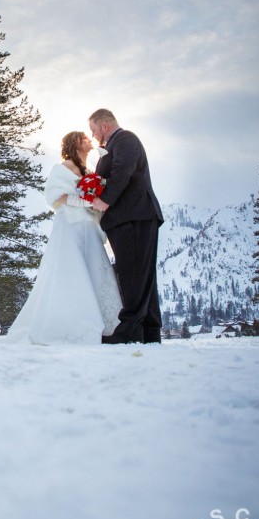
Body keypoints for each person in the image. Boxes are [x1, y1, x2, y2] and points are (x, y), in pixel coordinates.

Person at [6, 131, 121, 345]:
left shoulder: (89, 171)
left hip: (89, 227)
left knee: (95, 270)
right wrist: (86, 201)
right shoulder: (62, 168)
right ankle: (69, 326)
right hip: (71, 226)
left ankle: (107, 327)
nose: (89, 140)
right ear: (75, 143)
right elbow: (55, 197)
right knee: (71, 271)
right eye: (84, 138)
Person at [88, 109, 164, 344]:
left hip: (134, 216)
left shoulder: (125, 139)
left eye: (93, 130)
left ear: (105, 126)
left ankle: (129, 332)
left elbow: (123, 171)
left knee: (132, 274)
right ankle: (149, 333)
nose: (93, 135)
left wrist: (105, 199)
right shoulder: (112, 146)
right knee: (142, 276)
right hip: (128, 218)